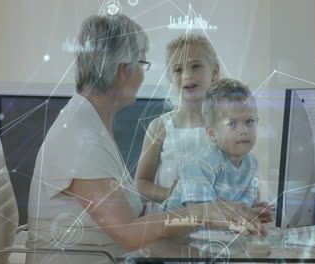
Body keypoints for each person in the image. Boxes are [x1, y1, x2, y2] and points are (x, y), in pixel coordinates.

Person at [26, 14, 267, 264]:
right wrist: (206, 213)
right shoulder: (80, 139)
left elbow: (136, 215)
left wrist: (225, 209)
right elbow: (129, 233)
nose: (143, 73)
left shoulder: (89, 123)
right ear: (123, 71)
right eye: (142, 63)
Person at [163, 79, 270, 222]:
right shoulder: (202, 164)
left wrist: (254, 211)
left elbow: (243, 207)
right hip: (169, 232)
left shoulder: (251, 163)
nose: (244, 130)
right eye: (232, 123)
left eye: (249, 121)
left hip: (212, 236)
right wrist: (240, 215)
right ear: (212, 133)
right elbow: (199, 215)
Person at [135, 33, 220, 209]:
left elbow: (242, 174)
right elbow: (141, 182)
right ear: (170, 76)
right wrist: (168, 194)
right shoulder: (160, 126)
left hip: (213, 226)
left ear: (215, 72)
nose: (187, 75)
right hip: (168, 224)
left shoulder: (226, 126)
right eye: (178, 70)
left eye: (195, 66)